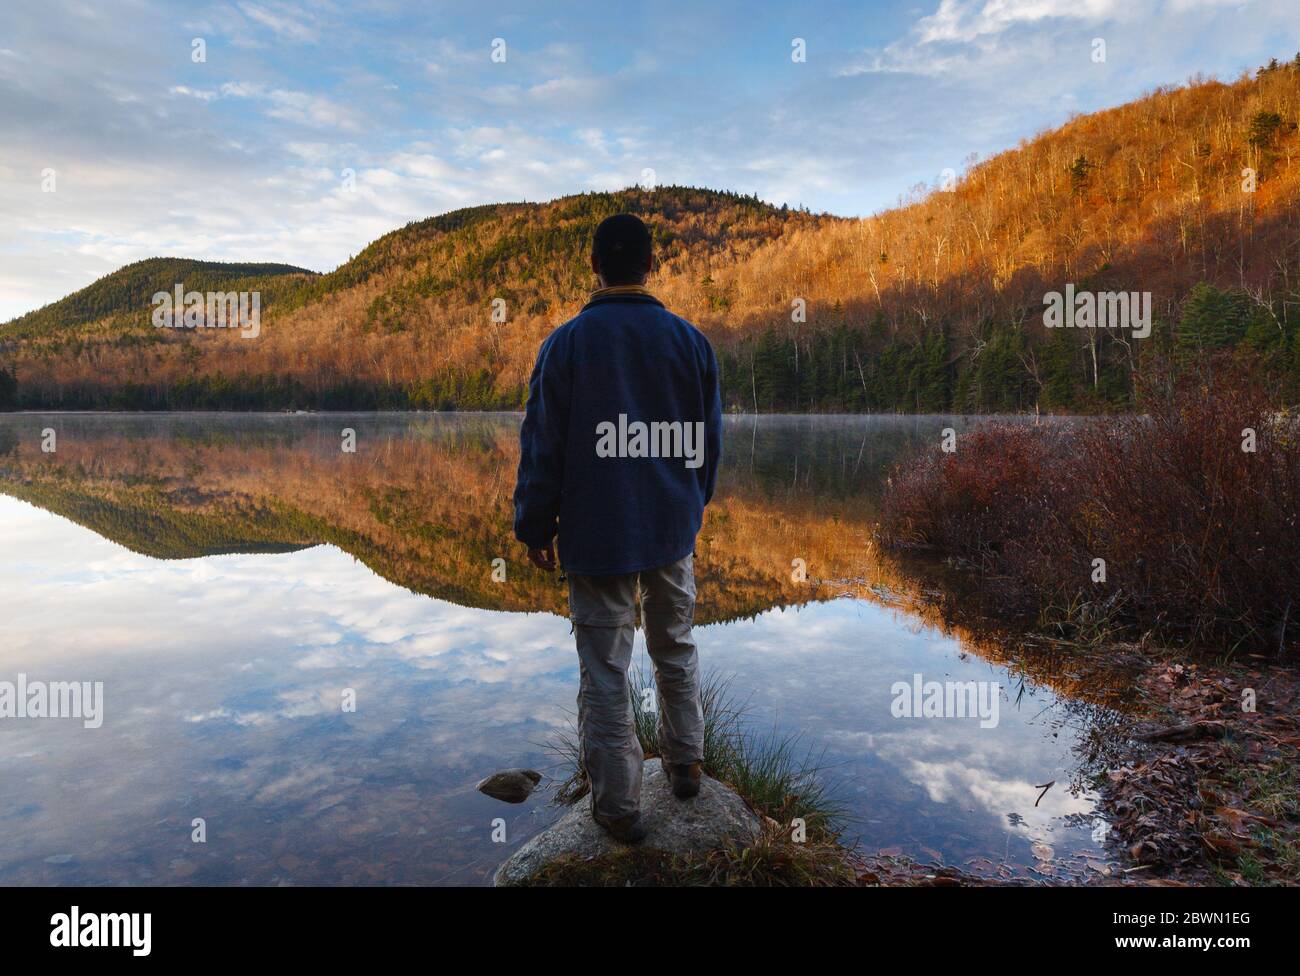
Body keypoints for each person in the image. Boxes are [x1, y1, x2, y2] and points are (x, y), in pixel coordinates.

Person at [513, 213, 723, 843]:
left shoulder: (567, 344)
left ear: (594, 266)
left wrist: (533, 525)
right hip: (669, 525)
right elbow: (708, 445)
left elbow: (542, 445)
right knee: (675, 645)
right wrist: (691, 506)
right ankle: (686, 763)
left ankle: (620, 807)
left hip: (595, 531)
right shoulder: (691, 343)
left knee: (604, 666)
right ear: (650, 266)